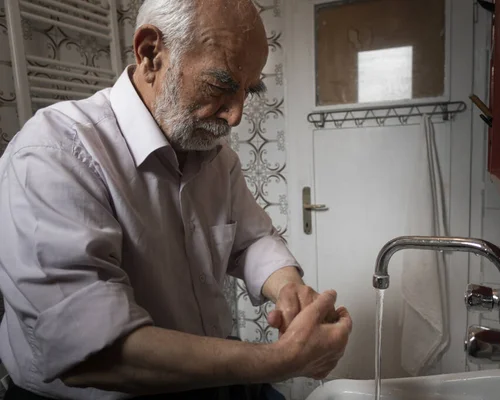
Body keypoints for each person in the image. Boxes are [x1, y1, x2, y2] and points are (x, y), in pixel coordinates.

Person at [0, 0, 352, 398]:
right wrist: (284, 359)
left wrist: (289, 288)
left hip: (209, 381)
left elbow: (253, 240)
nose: (235, 116)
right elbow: (94, 352)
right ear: (151, 54)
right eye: (220, 85)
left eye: (247, 91)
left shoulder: (218, 160)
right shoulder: (53, 153)